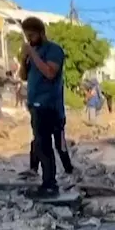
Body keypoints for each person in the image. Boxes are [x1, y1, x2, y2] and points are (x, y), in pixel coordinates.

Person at [20, 16, 69, 198]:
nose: (30, 39)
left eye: (32, 35)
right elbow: (24, 76)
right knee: (40, 144)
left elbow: (50, 73)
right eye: (27, 36)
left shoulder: (53, 50)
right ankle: (46, 182)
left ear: (41, 33)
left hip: (49, 104)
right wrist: (23, 59)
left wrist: (33, 55)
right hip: (35, 104)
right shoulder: (34, 51)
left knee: (47, 145)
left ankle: (50, 184)